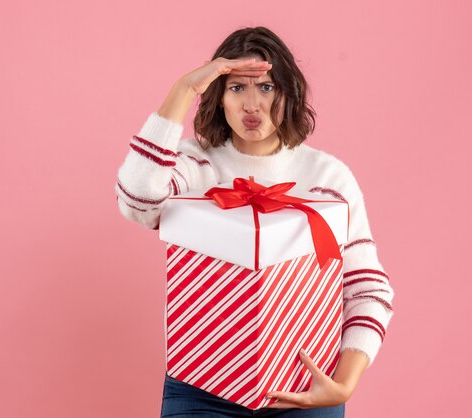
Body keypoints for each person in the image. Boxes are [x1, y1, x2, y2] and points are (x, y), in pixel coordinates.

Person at [115, 26, 394, 417]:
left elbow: (366, 286)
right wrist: (182, 90)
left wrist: (343, 384)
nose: (252, 105)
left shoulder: (328, 178)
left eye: (266, 88)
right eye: (236, 88)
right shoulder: (196, 165)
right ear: (217, 96)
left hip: (303, 384)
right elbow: (137, 202)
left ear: (288, 95)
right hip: (202, 383)